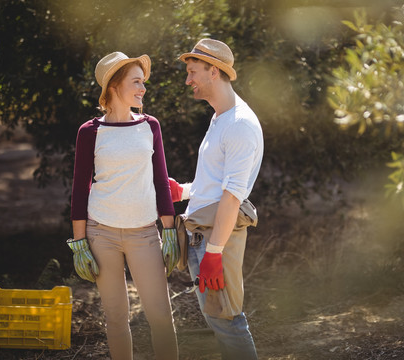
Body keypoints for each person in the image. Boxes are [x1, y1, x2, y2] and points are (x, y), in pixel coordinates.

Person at [67, 51, 179, 360]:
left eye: (143, 83)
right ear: (114, 85)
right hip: (101, 234)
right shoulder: (90, 132)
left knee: (160, 317)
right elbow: (80, 189)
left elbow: (160, 181)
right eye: (137, 82)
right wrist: (80, 243)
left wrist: (168, 232)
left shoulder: (150, 125)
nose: (143, 89)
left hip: (144, 234)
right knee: (116, 319)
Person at [170, 38, 264, 360]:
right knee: (219, 319)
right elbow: (215, 185)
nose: (188, 80)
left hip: (215, 240)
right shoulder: (220, 118)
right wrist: (182, 192)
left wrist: (214, 253)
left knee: (228, 320)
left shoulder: (239, 124)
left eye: (193, 72)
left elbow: (232, 196)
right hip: (204, 237)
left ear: (213, 71)